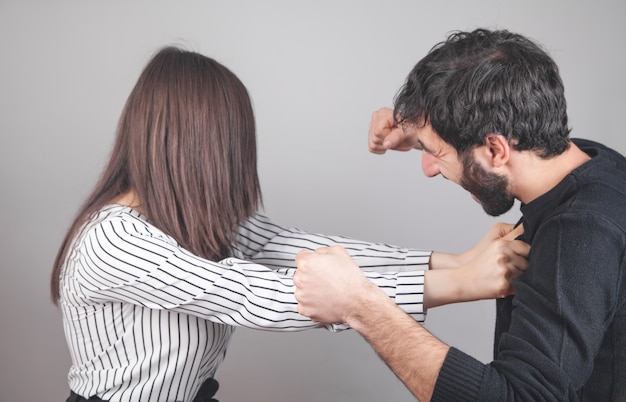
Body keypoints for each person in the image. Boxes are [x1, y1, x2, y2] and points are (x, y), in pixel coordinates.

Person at [50, 46, 529, 402]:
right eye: (230, 145)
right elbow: (253, 296)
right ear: (191, 145)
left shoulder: (192, 221)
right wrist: (464, 284)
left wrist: (457, 261)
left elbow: (297, 248)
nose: (237, 161)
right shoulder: (113, 239)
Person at [294, 28, 626, 401]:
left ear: (497, 150)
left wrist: (363, 308)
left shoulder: (580, 234)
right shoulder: (596, 165)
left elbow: (519, 397)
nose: (429, 169)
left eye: (435, 153)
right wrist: (420, 127)